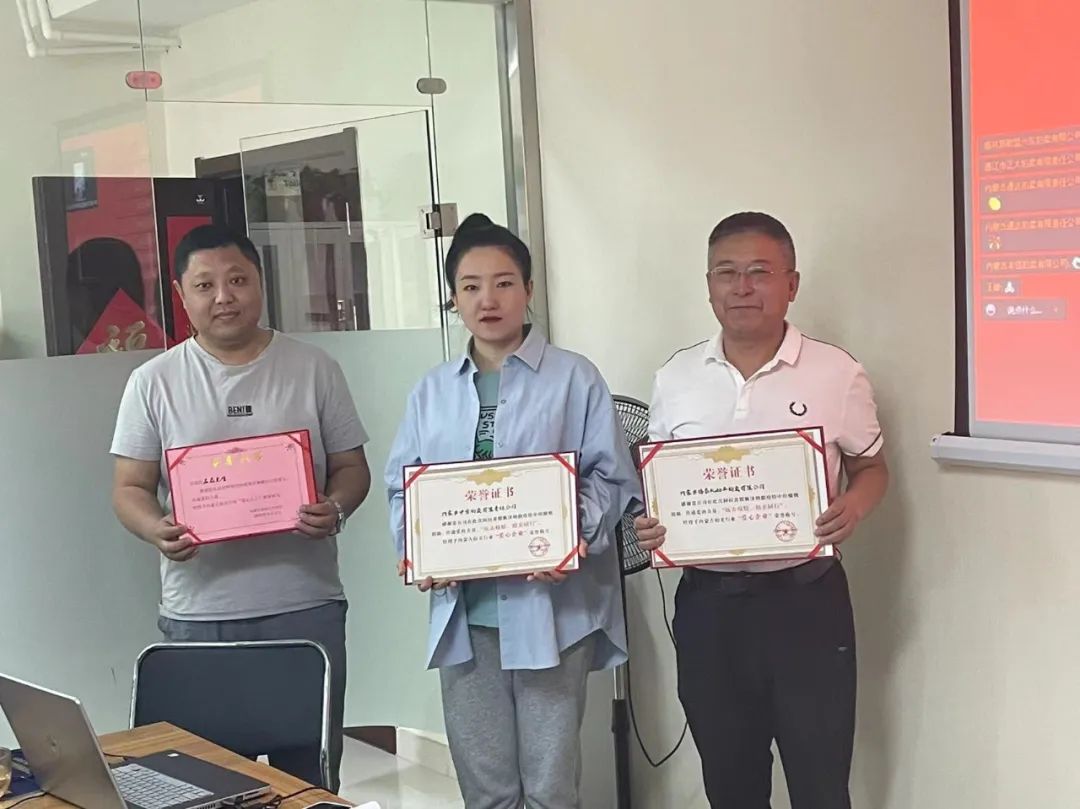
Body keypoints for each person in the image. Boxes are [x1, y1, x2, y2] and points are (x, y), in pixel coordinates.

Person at [385, 213, 640, 809]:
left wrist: (570, 537)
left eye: (503, 283)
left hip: (554, 611)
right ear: (454, 299)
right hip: (467, 616)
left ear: (528, 289)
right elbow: (404, 488)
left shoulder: (575, 378)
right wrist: (418, 550)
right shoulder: (432, 390)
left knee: (550, 787)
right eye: (470, 286)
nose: (488, 299)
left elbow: (611, 476)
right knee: (486, 788)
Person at [635, 212, 889, 809]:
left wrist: (853, 507)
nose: (742, 287)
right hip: (709, 610)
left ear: (791, 284)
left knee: (820, 783)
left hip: (807, 604)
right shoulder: (676, 377)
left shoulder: (835, 371)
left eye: (759, 272)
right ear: (708, 285)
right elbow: (661, 481)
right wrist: (653, 523)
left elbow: (873, 468)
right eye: (726, 273)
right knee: (730, 784)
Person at [110, 224, 371, 791]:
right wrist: (157, 529)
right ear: (181, 295)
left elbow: (352, 468)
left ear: (260, 283)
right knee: (207, 784)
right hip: (201, 614)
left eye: (237, 280)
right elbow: (129, 487)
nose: (223, 297)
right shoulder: (153, 382)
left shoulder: (314, 367)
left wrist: (334, 507)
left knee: (309, 782)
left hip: (304, 607)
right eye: (205, 285)